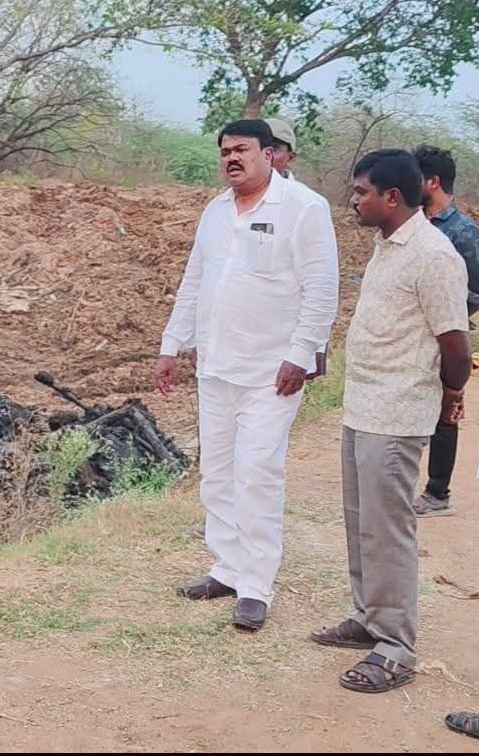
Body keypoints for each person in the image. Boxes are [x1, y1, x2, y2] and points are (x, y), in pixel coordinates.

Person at [157, 118, 339, 631]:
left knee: (257, 472)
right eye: (224, 152)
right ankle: (227, 568)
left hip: (271, 372)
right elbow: (195, 279)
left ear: (269, 153)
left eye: (241, 150)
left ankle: (256, 586)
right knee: (217, 472)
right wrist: (173, 344)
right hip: (215, 368)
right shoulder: (215, 211)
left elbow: (322, 290)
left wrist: (300, 355)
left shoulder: (303, 207)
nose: (231, 159)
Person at [310, 149, 471, 694]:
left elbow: (455, 347)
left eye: (361, 192)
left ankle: (397, 647)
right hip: (363, 407)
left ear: (392, 198)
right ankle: (370, 619)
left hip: (398, 413)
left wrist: (448, 395)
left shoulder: (434, 256)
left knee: (389, 530)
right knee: (362, 525)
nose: (354, 201)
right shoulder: (388, 246)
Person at [412, 145, 479, 517]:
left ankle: (438, 492)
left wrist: (448, 314)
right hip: (416, 339)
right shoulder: (416, 225)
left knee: (445, 412)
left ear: (433, 182)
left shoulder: (463, 232)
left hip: (447, 338)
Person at [266, 117, 329, 381]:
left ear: (291, 157)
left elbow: (320, 283)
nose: (267, 157)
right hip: (240, 349)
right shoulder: (229, 204)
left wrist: (313, 350)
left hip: (284, 347)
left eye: (275, 150)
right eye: (259, 148)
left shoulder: (308, 206)